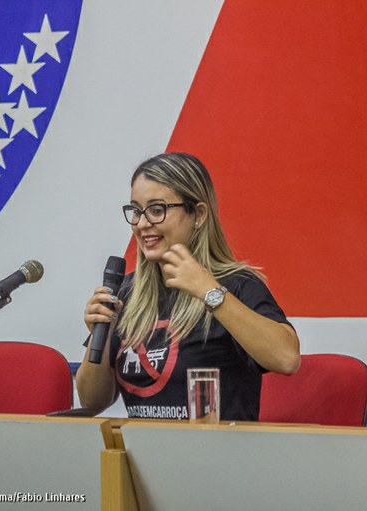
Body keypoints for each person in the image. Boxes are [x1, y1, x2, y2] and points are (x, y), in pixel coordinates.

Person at [76, 153, 300, 421]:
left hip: (216, 456)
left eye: (157, 210)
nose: (143, 223)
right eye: (136, 211)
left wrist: (209, 292)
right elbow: (92, 401)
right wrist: (101, 333)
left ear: (199, 214)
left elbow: (286, 358)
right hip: (143, 456)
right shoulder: (126, 291)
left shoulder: (237, 284)